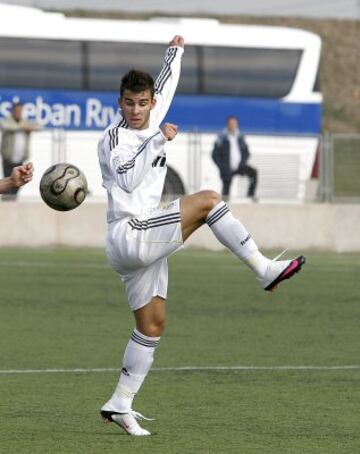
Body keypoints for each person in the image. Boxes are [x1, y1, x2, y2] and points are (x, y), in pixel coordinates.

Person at [98, 35, 305, 436]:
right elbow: (126, 177)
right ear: (119, 102)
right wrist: (157, 140)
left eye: (143, 103)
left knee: (152, 326)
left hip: (144, 237)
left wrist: (174, 52)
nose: (136, 110)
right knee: (209, 200)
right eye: (129, 103)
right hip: (128, 233)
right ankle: (263, 268)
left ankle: (120, 402)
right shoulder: (114, 139)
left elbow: (167, 85)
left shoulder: (153, 114)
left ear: (150, 102)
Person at [212, 116, 258, 201]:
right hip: (227, 168)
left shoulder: (240, 137)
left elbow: (246, 152)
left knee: (253, 173)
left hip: (240, 166)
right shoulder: (222, 138)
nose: (233, 125)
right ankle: (225, 202)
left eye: (234, 124)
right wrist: (222, 166)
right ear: (227, 125)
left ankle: (250, 195)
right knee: (226, 185)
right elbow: (215, 155)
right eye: (231, 124)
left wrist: (243, 162)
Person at [0, 103, 39, 200]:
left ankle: (11, 202)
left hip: (20, 159)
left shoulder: (24, 122)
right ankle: (7, 202)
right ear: (13, 111)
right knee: (8, 181)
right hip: (9, 158)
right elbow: (5, 126)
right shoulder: (7, 121)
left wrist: (28, 128)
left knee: (17, 182)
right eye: (17, 111)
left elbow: (38, 126)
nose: (19, 113)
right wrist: (22, 128)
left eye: (20, 111)